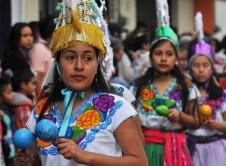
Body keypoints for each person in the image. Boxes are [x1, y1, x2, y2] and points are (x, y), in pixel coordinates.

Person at [15, 1, 148, 166]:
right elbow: (37, 159)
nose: (79, 66)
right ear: (57, 63)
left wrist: (85, 156)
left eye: (88, 58)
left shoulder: (116, 107)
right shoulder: (42, 108)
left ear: (97, 63)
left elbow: (140, 162)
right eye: (70, 57)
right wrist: (25, 160)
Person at [131, 1, 200, 165]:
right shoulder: (136, 86)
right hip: (145, 148)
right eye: (158, 53)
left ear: (176, 58)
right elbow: (130, 124)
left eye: (169, 54)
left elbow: (196, 123)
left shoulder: (187, 86)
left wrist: (180, 116)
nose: (163, 58)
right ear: (150, 56)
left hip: (175, 148)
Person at [186, 12, 226, 166]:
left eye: (205, 65)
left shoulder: (221, 94)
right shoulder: (185, 92)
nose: (201, 70)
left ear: (212, 68)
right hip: (190, 148)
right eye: (196, 65)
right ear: (190, 68)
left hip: (216, 148)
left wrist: (217, 125)